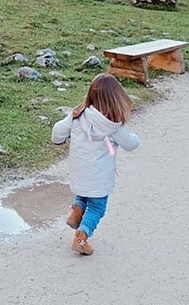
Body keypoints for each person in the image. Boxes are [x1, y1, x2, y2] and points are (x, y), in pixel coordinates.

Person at [51, 73, 140, 255]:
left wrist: (59, 141)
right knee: (97, 207)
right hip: (99, 176)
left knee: (84, 193)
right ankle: (81, 238)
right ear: (117, 98)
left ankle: (77, 212)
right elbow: (131, 144)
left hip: (78, 170)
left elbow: (58, 129)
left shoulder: (78, 114)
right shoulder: (115, 125)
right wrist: (135, 138)